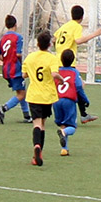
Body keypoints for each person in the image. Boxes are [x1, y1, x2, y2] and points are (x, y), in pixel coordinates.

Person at [53, 5, 101, 123]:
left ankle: (82, 114)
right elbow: (79, 40)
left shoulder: (65, 25)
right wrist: (95, 34)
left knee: (66, 86)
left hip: (58, 61)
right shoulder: (76, 26)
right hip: (68, 63)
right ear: (82, 17)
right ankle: (78, 113)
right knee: (77, 85)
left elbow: (54, 38)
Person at [23, 31, 62, 166]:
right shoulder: (52, 58)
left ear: (38, 44)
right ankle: (40, 152)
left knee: (37, 124)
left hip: (34, 95)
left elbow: (24, 74)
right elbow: (54, 74)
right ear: (50, 44)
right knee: (43, 124)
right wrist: (62, 80)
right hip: (47, 96)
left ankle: (37, 147)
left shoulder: (30, 57)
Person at [0, 14, 31, 124]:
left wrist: (6, 60)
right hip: (16, 70)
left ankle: (27, 116)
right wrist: (22, 66)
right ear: (16, 25)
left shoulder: (3, 38)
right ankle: (3, 108)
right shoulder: (18, 37)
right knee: (21, 94)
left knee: (22, 91)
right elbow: (18, 54)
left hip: (6, 70)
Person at [52, 49, 89, 157]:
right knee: (72, 127)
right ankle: (64, 133)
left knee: (63, 124)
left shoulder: (58, 71)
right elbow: (78, 86)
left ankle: (64, 149)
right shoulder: (74, 72)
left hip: (56, 101)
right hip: (69, 101)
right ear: (73, 60)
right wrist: (85, 99)